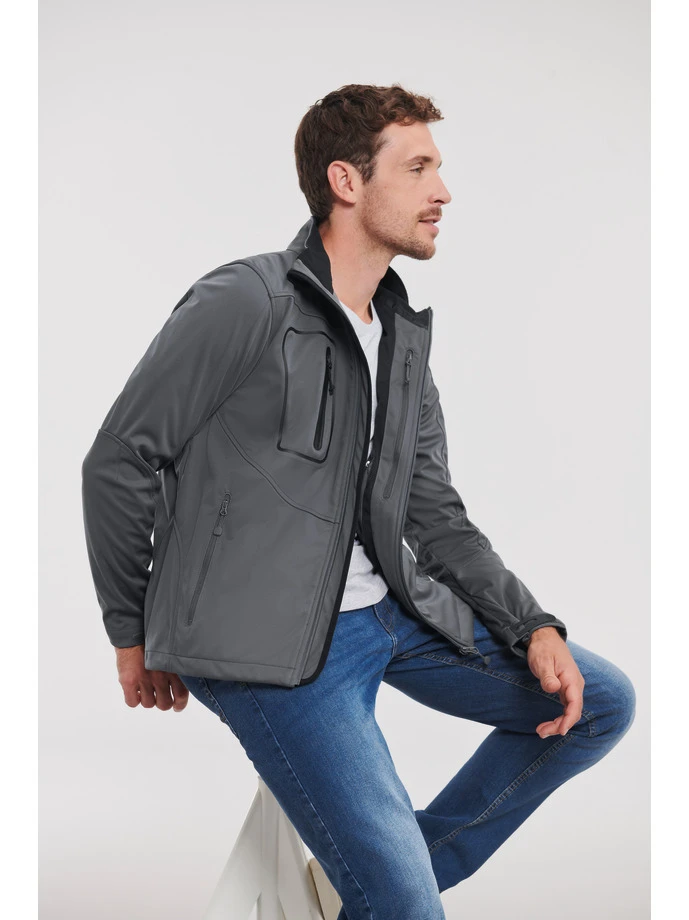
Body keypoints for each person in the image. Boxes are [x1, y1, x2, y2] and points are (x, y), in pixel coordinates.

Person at [81, 83, 636, 919]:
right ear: (346, 181)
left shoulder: (398, 333)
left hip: (390, 615)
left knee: (598, 702)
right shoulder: (246, 300)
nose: (442, 191)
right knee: (406, 907)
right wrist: (132, 630)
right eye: (417, 168)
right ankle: (389, 888)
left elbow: (432, 510)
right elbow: (119, 460)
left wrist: (531, 625)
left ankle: (380, 881)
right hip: (266, 648)